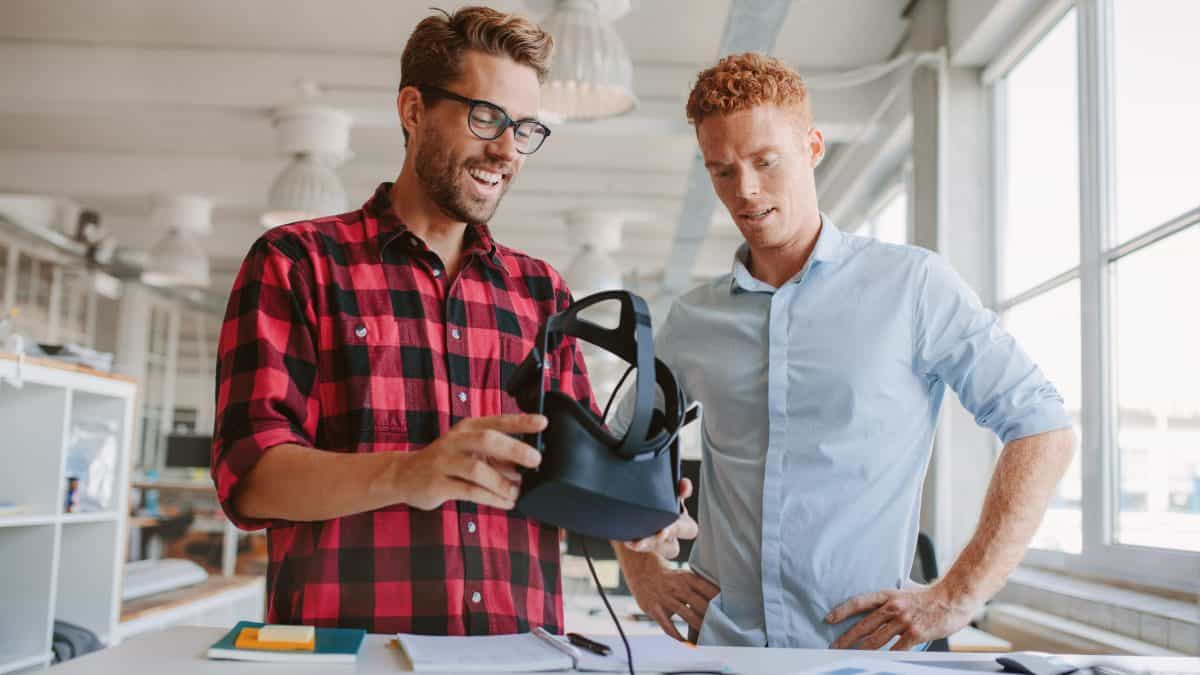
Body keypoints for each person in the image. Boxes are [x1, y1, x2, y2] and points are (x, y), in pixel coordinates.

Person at [211, 6, 687, 635]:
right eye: (485, 116)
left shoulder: (541, 292)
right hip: (353, 653)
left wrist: (634, 520)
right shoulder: (298, 264)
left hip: (517, 652)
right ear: (413, 110)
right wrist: (408, 472)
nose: (505, 150)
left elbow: (568, 477)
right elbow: (250, 477)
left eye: (524, 129)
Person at [614, 53, 1076, 650]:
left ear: (812, 146)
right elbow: (617, 449)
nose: (745, 190)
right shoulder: (693, 321)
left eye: (764, 161)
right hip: (727, 651)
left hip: (864, 653)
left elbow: (1042, 428)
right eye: (722, 170)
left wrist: (957, 596)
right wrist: (644, 573)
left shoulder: (913, 287)